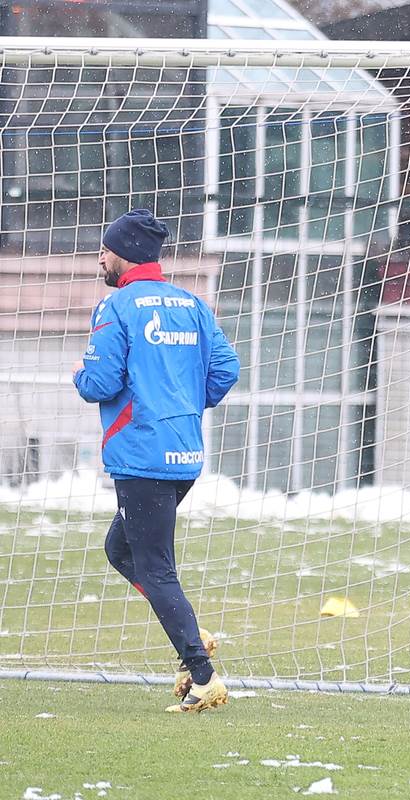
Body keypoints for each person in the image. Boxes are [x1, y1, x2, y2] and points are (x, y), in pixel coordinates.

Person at [73, 209, 240, 713]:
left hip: (141, 456)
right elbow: (226, 369)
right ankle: (191, 632)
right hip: (183, 453)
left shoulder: (116, 306)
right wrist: (183, 405)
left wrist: (81, 374)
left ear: (122, 254)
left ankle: (204, 676)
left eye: (104, 248)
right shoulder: (190, 303)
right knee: (120, 549)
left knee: (154, 567)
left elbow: (99, 383)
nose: (99, 256)